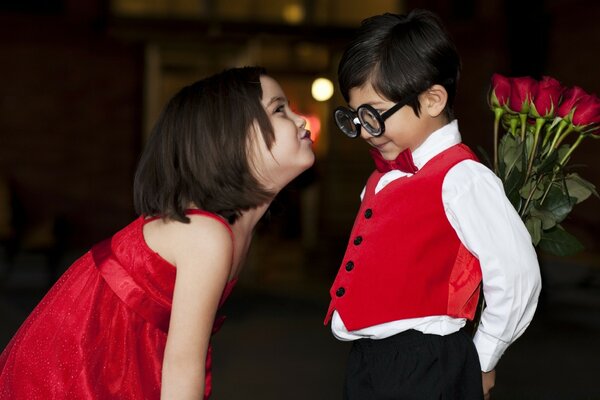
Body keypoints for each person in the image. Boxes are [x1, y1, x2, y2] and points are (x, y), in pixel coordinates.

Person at [0, 66, 315, 399]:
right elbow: (182, 368)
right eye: (279, 109)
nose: (301, 120)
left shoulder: (231, 230)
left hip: (127, 354)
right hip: (79, 363)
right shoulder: (206, 234)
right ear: (232, 139)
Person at [324, 10, 541, 400]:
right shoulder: (382, 177)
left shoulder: (463, 178)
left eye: (373, 115)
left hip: (426, 362)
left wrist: (483, 357)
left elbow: (516, 274)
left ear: (433, 99)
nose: (365, 132)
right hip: (372, 360)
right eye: (357, 118)